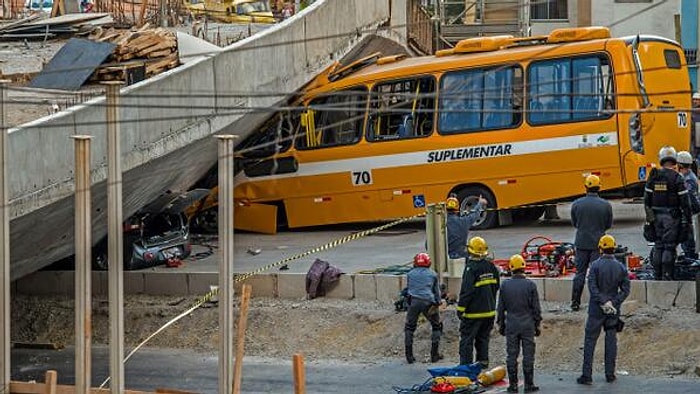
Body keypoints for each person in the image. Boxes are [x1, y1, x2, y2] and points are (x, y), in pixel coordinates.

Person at [577, 235, 630, 385]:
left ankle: (586, 375)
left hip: (596, 310)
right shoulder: (620, 267)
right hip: (612, 311)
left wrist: (602, 302)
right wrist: (613, 303)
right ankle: (610, 374)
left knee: (590, 342)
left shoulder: (594, 266)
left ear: (600, 249)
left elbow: (592, 287)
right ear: (613, 248)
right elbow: (625, 290)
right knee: (611, 342)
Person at [644, 146, 692, 280]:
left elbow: (646, 200)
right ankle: (667, 275)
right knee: (669, 247)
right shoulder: (677, 177)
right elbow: (685, 203)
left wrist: (650, 218)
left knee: (659, 245)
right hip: (671, 218)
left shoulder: (653, 176)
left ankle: (657, 274)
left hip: (656, 217)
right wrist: (687, 221)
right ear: (674, 160)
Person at [497, 255, 542, 393]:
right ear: (523, 267)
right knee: (528, 355)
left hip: (511, 324)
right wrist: (537, 324)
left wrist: (501, 324)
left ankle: (513, 385)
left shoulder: (505, 285)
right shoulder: (530, 285)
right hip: (527, 324)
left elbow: (501, 308)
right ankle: (529, 384)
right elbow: (536, 308)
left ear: (511, 268)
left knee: (512, 355)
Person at [570, 174, 613, 311]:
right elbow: (608, 224)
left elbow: (575, 223)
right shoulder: (606, 205)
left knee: (580, 273)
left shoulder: (576, 204)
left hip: (582, 243)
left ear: (586, 187)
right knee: (596, 274)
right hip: (598, 244)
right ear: (599, 187)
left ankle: (575, 302)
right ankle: (598, 302)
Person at [457, 236, 500, 367]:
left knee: (467, 340)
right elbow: (496, 286)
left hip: (473, 313)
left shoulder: (471, 268)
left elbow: (467, 291)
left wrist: (461, 309)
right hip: (489, 311)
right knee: (483, 338)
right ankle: (483, 363)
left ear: (471, 251)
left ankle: (466, 366)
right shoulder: (491, 266)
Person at [404, 252, 443, 364]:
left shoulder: (410, 274)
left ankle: (409, 356)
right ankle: (434, 355)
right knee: (436, 326)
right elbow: (436, 292)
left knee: (409, 327)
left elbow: (409, 289)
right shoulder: (432, 274)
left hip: (414, 302)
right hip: (428, 302)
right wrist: (438, 303)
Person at [446, 195, 486, 259]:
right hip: (461, 256)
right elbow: (475, 214)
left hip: (445, 257)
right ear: (457, 208)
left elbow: (428, 245)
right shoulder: (464, 221)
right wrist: (480, 203)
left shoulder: (441, 225)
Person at [677, 150, 700, 259]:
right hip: (690, 215)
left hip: (690, 215)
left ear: (680, 165)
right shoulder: (688, 177)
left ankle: (691, 265)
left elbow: (691, 199)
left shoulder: (688, 179)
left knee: (689, 245)